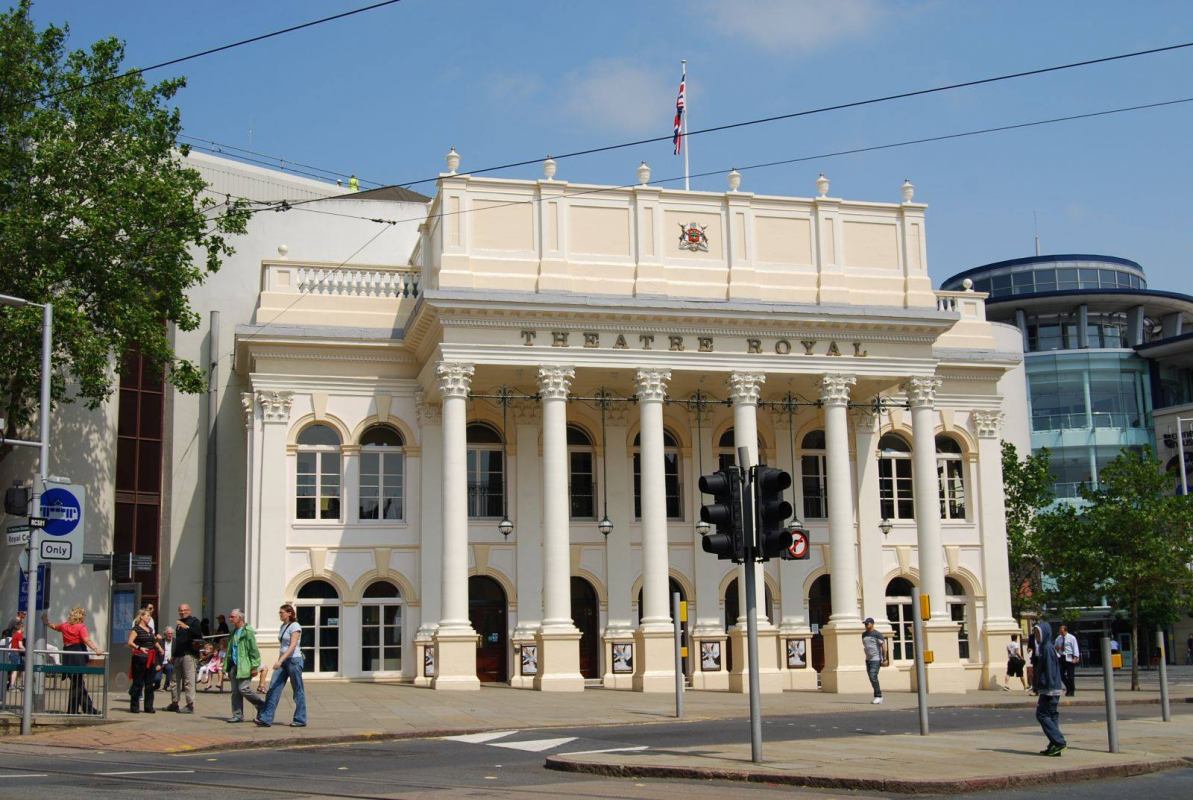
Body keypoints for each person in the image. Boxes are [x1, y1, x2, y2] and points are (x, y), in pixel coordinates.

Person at [42, 607, 103, 715]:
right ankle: (87, 709)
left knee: (77, 683)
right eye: (84, 615)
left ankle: (75, 709)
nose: (84, 618)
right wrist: (95, 649)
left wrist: (47, 623)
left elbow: (55, 627)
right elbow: (86, 639)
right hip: (78, 656)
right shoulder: (81, 627)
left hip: (68, 656)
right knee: (78, 684)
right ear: (80, 616)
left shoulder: (65, 626)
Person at [256, 603, 307, 728]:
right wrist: (281, 660)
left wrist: (280, 661)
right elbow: (283, 646)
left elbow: (292, 646)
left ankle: (300, 719)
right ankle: (266, 718)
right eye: (279, 612)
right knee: (273, 687)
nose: (280, 614)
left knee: (298, 690)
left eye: (282, 612)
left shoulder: (295, 626)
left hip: (294, 660)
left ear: (289, 613)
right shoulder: (283, 626)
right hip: (284, 661)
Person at [224, 609, 265, 723]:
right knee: (235, 692)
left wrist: (254, 666)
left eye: (232, 617)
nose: (230, 619)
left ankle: (261, 705)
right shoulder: (234, 632)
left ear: (240, 618)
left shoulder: (247, 632)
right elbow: (230, 651)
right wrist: (227, 667)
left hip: (245, 665)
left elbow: (253, 650)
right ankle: (237, 715)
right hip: (234, 665)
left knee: (244, 688)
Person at [1033, 621, 1066, 756]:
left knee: (1041, 714)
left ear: (1045, 633)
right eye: (1035, 633)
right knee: (1052, 715)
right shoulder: (1046, 647)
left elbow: (1049, 668)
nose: (1036, 635)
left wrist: (1048, 686)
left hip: (1049, 688)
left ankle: (1058, 741)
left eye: (1038, 633)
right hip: (1052, 686)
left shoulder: (1046, 648)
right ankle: (1054, 745)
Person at [166, 602, 202, 714]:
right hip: (179, 655)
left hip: (189, 655)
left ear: (189, 610)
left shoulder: (194, 621)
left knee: (188, 681)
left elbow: (198, 634)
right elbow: (179, 641)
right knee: (174, 680)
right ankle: (174, 703)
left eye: (185, 610)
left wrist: (187, 627)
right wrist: (174, 655)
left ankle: (190, 706)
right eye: (181, 610)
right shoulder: (179, 624)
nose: (183, 612)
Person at [127, 609, 161, 713]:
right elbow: (130, 642)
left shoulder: (150, 629)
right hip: (140, 658)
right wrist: (139, 647)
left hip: (150, 657)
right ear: (141, 617)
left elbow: (152, 642)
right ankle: (134, 706)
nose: (149, 618)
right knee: (138, 683)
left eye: (150, 616)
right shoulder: (136, 629)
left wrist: (157, 640)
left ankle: (148, 707)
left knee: (150, 683)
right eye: (147, 616)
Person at [861, 617, 886, 705]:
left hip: (876, 659)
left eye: (867, 624)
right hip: (868, 659)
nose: (865, 625)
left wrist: (885, 659)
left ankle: (878, 696)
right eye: (865, 624)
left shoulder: (877, 634)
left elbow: (883, 647)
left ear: (872, 624)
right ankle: (878, 696)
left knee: (873, 676)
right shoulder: (864, 634)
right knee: (871, 678)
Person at [1054, 624, 1079, 697]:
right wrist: (1058, 648)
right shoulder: (1059, 638)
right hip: (1061, 656)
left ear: (1065, 631)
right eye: (1060, 632)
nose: (1061, 634)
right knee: (1060, 673)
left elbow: (1075, 648)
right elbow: (1054, 647)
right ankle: (1069, 687)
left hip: (1069, 656)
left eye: (1062, 632)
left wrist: (1075, 657)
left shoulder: (1071, 638)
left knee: (1070, 675)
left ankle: (1071, 691)